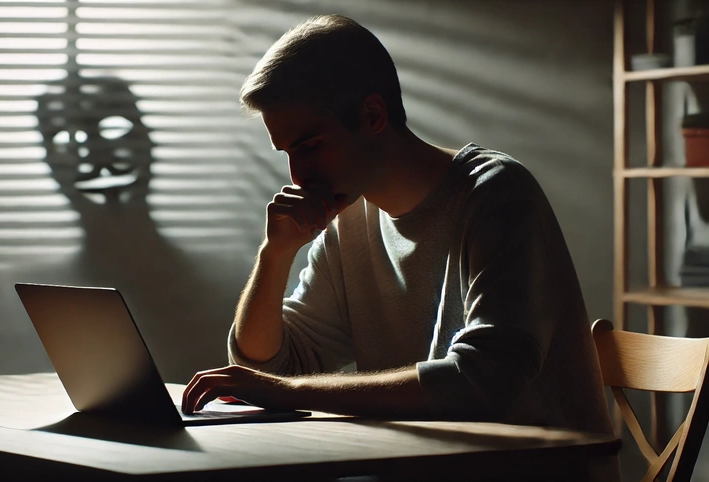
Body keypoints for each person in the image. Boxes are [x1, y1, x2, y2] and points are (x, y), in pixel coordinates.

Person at [181, 14, 612, 435]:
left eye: (310, 145)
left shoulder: (495, 193)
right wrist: (274, 255)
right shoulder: (348, 219)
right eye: (287, 153)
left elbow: (486, 379)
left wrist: (292, 392)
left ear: (372, 116)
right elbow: (268, 367)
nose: (298, 175)